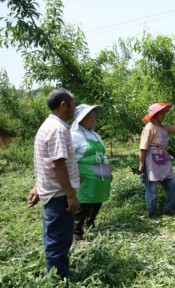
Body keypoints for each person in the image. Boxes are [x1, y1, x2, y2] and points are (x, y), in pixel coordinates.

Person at [27, 88, 80, 279]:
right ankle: (57, 280)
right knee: (58, 241)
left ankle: (56, 276)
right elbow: (57, 165)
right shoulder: (58, 129)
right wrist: (71, 195)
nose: (75, 108)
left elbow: (44, 160)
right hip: (59, 196)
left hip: (52, 192)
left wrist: (37, 186)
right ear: (64, 104)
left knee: (55, 238)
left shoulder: (48, 126)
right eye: (73, 104)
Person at [137, 103, 175, 217]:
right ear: (154, 115)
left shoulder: (164, 127)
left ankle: (169, 208)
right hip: (151, 160)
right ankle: (152, 212)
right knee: (152, 187)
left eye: (163, 113)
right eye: (161, 113)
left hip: (163, 159)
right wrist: (142, 165)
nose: (163, 115)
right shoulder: (149, 128)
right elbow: (143, 148)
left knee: (173, 184)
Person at [71, 104, 112, 241]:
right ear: (81, 119)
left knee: (98, 198)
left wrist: (108, 171)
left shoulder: (95, 135)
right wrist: (74, 172)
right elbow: (68, 157)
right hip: (85, 173)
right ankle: (76, 232)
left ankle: (90, 223)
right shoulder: (74, 135)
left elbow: (103, 154)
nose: (94, 119)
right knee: (84, 201)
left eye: (95, 116)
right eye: (90, 116)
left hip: (100, 171)